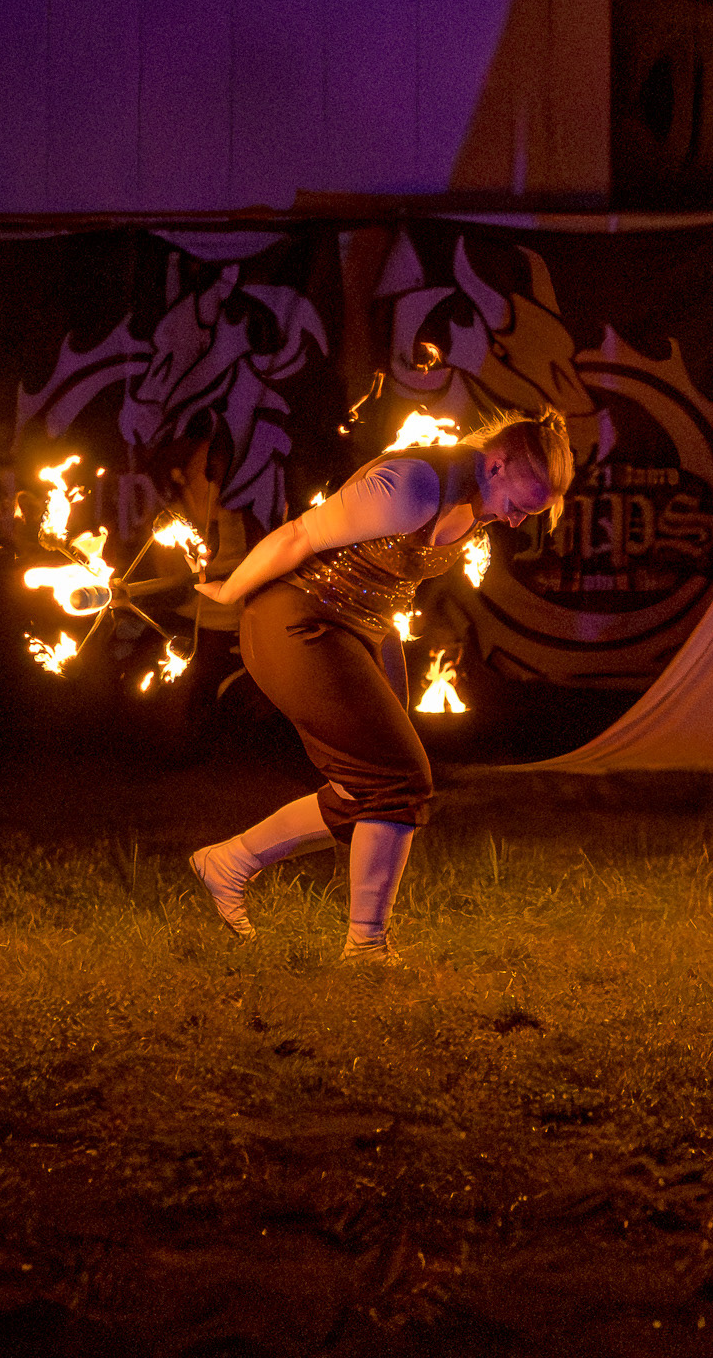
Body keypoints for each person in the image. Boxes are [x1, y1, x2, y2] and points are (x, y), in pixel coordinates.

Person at [188, 407, 574, 963]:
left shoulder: (474, 502)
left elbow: (390, 586)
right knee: (400, 780)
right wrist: (229, 594)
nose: (515, 522)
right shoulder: (414, 485)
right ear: (495, 465)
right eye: (518, 505)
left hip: (361, 629)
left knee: (368, 788)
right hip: (298, 620)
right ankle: (366, 949)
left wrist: (389, 667)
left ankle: (228, 864)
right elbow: (299, 535)